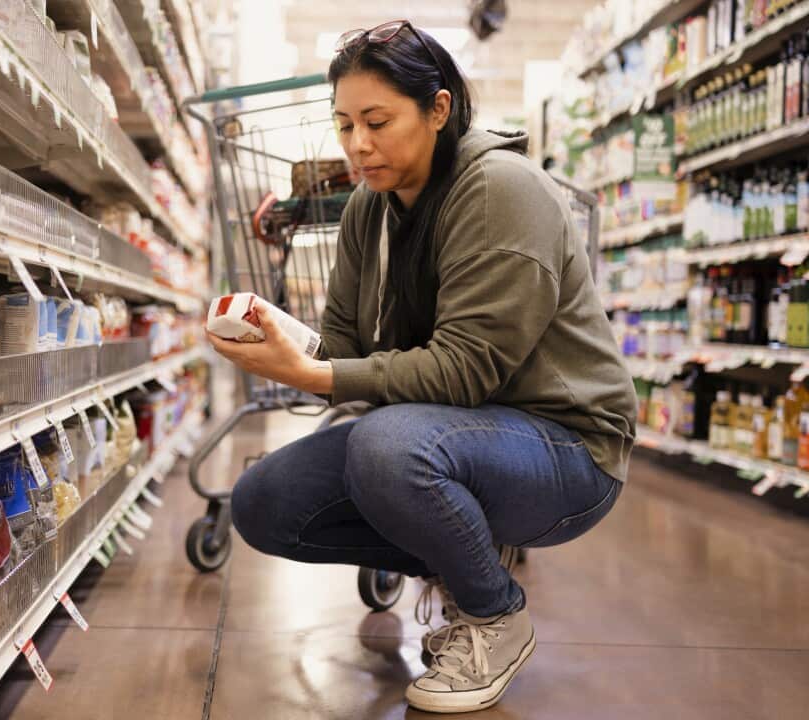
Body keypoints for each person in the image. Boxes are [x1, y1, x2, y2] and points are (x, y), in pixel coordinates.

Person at [206, 20, 636, 715]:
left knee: (387, 446)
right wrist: (284, 343)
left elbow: (466, 372)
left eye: (377, 121)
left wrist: (315, 380)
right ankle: (460, 561)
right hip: (449, 437)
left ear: (438, 110)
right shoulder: (365, 215)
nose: (358, 144)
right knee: (264, 501)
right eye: (344, 124)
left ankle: (495, 616)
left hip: (567, 450)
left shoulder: (500, 188)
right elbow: (345, 350)